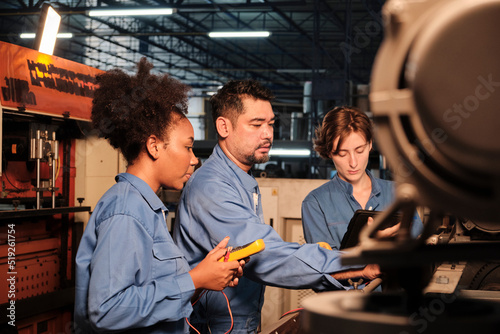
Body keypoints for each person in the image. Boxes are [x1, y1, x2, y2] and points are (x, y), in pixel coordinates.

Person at [173, 80, 381, 334]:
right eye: (256, 124)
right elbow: (266, 255)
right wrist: (357, 262)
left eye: (270, 124)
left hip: (240, 321)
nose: (268, 133)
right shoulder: (211, 187)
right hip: (215, 327)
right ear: (223, 126)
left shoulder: (241, 179)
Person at [74, 58, 244, 334]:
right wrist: (194, 278)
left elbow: (154, 299)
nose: (194, 160)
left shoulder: (145, 207)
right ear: (154, 145)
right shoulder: (126, 211)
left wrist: (205, 276)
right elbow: (105, 310)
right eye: (188, 148)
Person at [301, 106, 423, 251]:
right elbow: (324, 265)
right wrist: (369, 244)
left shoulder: (399, 193)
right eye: (342, 154)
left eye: (359, 151)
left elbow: (420, 246)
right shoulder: (315, 204)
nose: (353, 162)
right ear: (329, 152)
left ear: (370, 144)